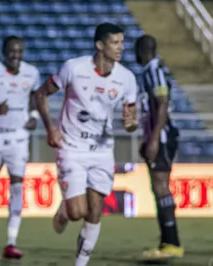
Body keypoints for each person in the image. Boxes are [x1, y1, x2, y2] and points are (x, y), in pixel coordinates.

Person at [34, 22, 138, 266]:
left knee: (95, 210)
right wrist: (51, 128)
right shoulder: (73, 68)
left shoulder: (127, 79)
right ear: (100, 45)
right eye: (115, 42)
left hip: (102, 151)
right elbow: (40, 94)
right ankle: (65, 210)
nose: (121, 47)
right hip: (71, 147)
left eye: (122, 42)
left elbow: (131, 120)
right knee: (77, 212)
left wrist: (131, 123)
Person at [0, 36, 40, 260]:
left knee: (17, 186)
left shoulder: (31, 73)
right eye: (12, 51)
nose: (16, 55)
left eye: (19, 51)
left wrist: (34, 115)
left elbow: (34, 96)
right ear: (4, 52)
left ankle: (11, 242)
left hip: (18, 137)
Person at [134, 35, 183, 259]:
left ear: (143, 51)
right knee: (158, 186)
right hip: (156, 135)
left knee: (161, 185)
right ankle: (166, 243)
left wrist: (154, 139)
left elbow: (162, 104)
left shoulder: (154, 72)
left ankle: (172, 243)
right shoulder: (148, 73)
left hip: (162, 136)